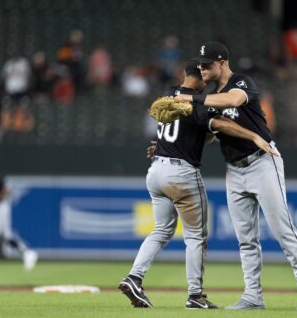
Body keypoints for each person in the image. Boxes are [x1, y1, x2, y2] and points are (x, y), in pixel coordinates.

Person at [118, 59, 275, 310]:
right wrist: (254, 134)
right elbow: (219, 124)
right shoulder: (198, 102)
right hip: (181, 175)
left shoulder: (169, 94)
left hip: (156, 169)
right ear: (201, 79)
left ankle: (134, 277)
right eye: (204, 77)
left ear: (183, 74)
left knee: (161, 230)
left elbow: (191, 132)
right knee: (195, 237)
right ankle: (195, 295)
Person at [176, 42, 297, 311]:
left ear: (221, 63)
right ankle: (253, 295)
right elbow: (208, 134)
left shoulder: (242, 82)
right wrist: (167, 145)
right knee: (246, 238)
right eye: (201, 65)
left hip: (263, 162)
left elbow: (232, 100)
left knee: (282, 230)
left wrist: (192, 98)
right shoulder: (207, 97)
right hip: (234, 169)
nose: (202, 69)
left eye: (207, 65)